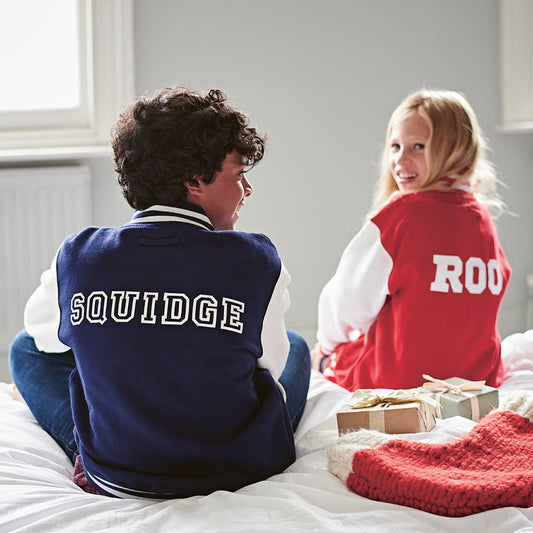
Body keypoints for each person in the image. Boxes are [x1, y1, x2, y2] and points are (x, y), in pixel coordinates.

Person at [9, 86, 311, 498]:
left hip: (121, 472)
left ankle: (89, 452)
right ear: (194, 180)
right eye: (239, 175)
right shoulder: (256, 260)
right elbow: (269, 370)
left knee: (25, 348)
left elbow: (42, 334)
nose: (247, 190)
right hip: (234, 469)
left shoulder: (79, 256)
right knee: (295, 345)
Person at [313, 89, 511, 391]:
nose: (400, 159)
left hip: (398, 380)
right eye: (395, 146)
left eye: (418, 146)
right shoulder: (481, 218)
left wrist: (327, 347)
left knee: (310, 354)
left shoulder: (401, 214)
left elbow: (347, 300)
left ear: (454, 150)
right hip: (479, 379)